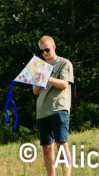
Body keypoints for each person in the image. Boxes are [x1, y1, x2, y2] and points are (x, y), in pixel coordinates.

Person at [33, 36, 74, 176]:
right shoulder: (40, 67)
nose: (44, 53)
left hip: (59, 109)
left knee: (61, 145)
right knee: (46, 147)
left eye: (47, 49)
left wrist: (47, 78)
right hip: (42, 111)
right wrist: (39, 76)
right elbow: (35, 91)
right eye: (42, 51)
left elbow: (64, 84)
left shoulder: (64, 63)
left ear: (54, 47)